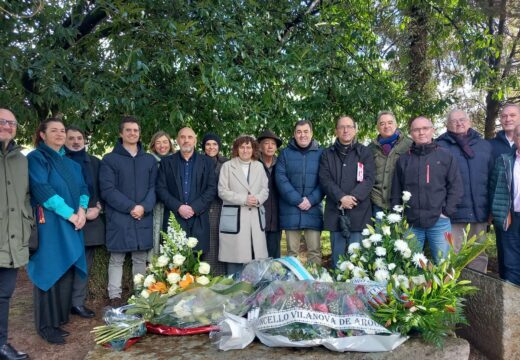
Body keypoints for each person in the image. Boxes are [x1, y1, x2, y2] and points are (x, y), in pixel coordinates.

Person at [28, 118, 89, 344]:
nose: (60, 134)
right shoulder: (36, 158)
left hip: (73, 222)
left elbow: (83, 188)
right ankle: (46, 325)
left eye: (62, 130)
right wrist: (70, 214)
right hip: (51, 223)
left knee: (67, 269)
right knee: (50, 267)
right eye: (54, 130)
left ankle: (59, 318)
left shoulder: (72, 164)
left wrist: (82, 210)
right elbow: (42, 189)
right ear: (42, 135)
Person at [99, 116, 157, 307]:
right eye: (128, 130)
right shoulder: (110, 159)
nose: (133, 133)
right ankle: (114, 296)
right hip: (120, 216)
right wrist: (131, 207)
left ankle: (140, 294)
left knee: (140, 258)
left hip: (143, 216)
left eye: (136, 130)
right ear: (120, 133)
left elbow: (153, 188)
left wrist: (143, 207)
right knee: (117, 258)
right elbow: (108, 190)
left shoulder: (149, 160)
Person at [391, 116, 462, 263]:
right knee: (411, 266)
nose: (421, 132)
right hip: (411, 223)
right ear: (411, 133)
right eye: (416, 130)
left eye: (425, 128)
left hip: (440, 222)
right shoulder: (404, 159)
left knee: (443, 265)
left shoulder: (445, 156)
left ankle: (440, 287)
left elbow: (456, 186)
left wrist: (446, 212)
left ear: (432, 130)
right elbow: (396, 191)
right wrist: (399, 216)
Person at [436, 109, 493, 273]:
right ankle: (452, 296)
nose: (459, 123)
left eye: (462, 119)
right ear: (447, 125)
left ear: (469, 122)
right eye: (454, 121)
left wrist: (490, 210)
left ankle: (476, 295)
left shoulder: (484, 146)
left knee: (478, 256)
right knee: (452, 256)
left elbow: (491, 179)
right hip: (452, 214)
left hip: (479, 213)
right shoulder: (440, 146)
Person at [320, 116, 376, 268]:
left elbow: (369, 178)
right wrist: (341, 197)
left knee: (358, 262)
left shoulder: (365, 152)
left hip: (359, 213)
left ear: (355, 129)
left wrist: (352, 198)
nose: (346, 130)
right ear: (336, 131)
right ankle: (338, 291)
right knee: (338, 263)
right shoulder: (327, 154)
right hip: (335, 213)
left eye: (349, 126)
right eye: (342, 127)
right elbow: (325, 179)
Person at [156, 127, 217, 257]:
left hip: (199, 219)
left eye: (190, 137)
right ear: (177, 140)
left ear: (195, 140)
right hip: (174, 219)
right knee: (173, 266)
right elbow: (161, 189)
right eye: (182, 137)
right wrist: (178, 207)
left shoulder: (207, 162)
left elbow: (211, 189)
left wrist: (194, 208)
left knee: (198, 266)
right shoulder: (166, 162)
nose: (186, 140)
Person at [64, 126, 105, 318]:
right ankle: (60, 304)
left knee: (84, 264)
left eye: (79, 138)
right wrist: (72, 213)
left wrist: (98, 208)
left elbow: (104, 189)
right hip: (65, 219)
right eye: (71, 138)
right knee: (64, 263)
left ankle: (77, 303)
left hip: (90, 220)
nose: (76, 141)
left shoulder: (95, 162)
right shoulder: (59, 161)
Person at [0, 109, 30, 359]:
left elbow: (26, 197)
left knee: (4, 296)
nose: (7, 126)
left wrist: (26, 223)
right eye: (2, 121)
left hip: (12, 240)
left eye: (12, 122)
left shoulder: (21, 159)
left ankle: (1, 344)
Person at [218, 135, 269, 274]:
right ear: (236, 149)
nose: (245, 150)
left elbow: (265, 190)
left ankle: (254, 292)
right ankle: (234, 291)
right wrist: (244, 199)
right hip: (236, 217)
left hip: (254, 217)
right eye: (242, 147)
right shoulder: (227, 166)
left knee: (255, 256)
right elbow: (222, 191)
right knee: (236, 257)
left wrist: (258, 199)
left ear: (253, 149)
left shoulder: (259, 166)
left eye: (248, 147)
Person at [275, 120, 323, 265]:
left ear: (312, 133)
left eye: (306, 131)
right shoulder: (285, 154)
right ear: (294, 134)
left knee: (315, 251)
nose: (303, 135)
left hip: (313, 208)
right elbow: (281, 179)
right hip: (291, 209)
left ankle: (315, 283)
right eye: (299, 132)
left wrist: (311, 200)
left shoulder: (322, 153)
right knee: (291, 253)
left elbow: (325, 180)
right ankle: (291, 285)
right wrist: (298, 200)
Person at [488, 103, 520, 277]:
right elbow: (491, 183)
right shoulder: (491, 147)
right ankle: (511, 301)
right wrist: (492, 211)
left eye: (513, 115)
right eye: (504, 116)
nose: (508, 119)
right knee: (508, 262)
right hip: (507, 213)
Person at [368, 111, 412, 214]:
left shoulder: (409, 144)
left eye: (390, 122)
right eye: (382, 124)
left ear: (396, 124)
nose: (386, 126)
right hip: (378, 203)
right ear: (377, 127)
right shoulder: (370, 148)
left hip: (403, 203)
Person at [201, 133, 228, 275]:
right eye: (208, 144)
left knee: (221, 242)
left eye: (215, 144)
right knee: (208, 244)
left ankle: (221, 276)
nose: (211, 147)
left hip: (222, 207)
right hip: (204, 208)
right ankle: (206, 275)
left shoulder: (226, 163)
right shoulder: (198, 161)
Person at [148, 131, 174, 258]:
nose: (162, 145)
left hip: (173, 206)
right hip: (154, 206)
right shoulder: (148, 161)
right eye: (158, 143)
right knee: (155, 236)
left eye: (165, 142)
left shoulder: (177, 160)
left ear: (170, 144)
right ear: (153, 145)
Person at [257, 130, 283, 258]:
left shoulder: (281, 164)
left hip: (276, 216)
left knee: (274, 257)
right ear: (260, 147)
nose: (270, 146)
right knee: (257, 255)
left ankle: (274, 279)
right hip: (256, 216)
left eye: (273, 143)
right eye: (266, 143)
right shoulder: (254, 164)